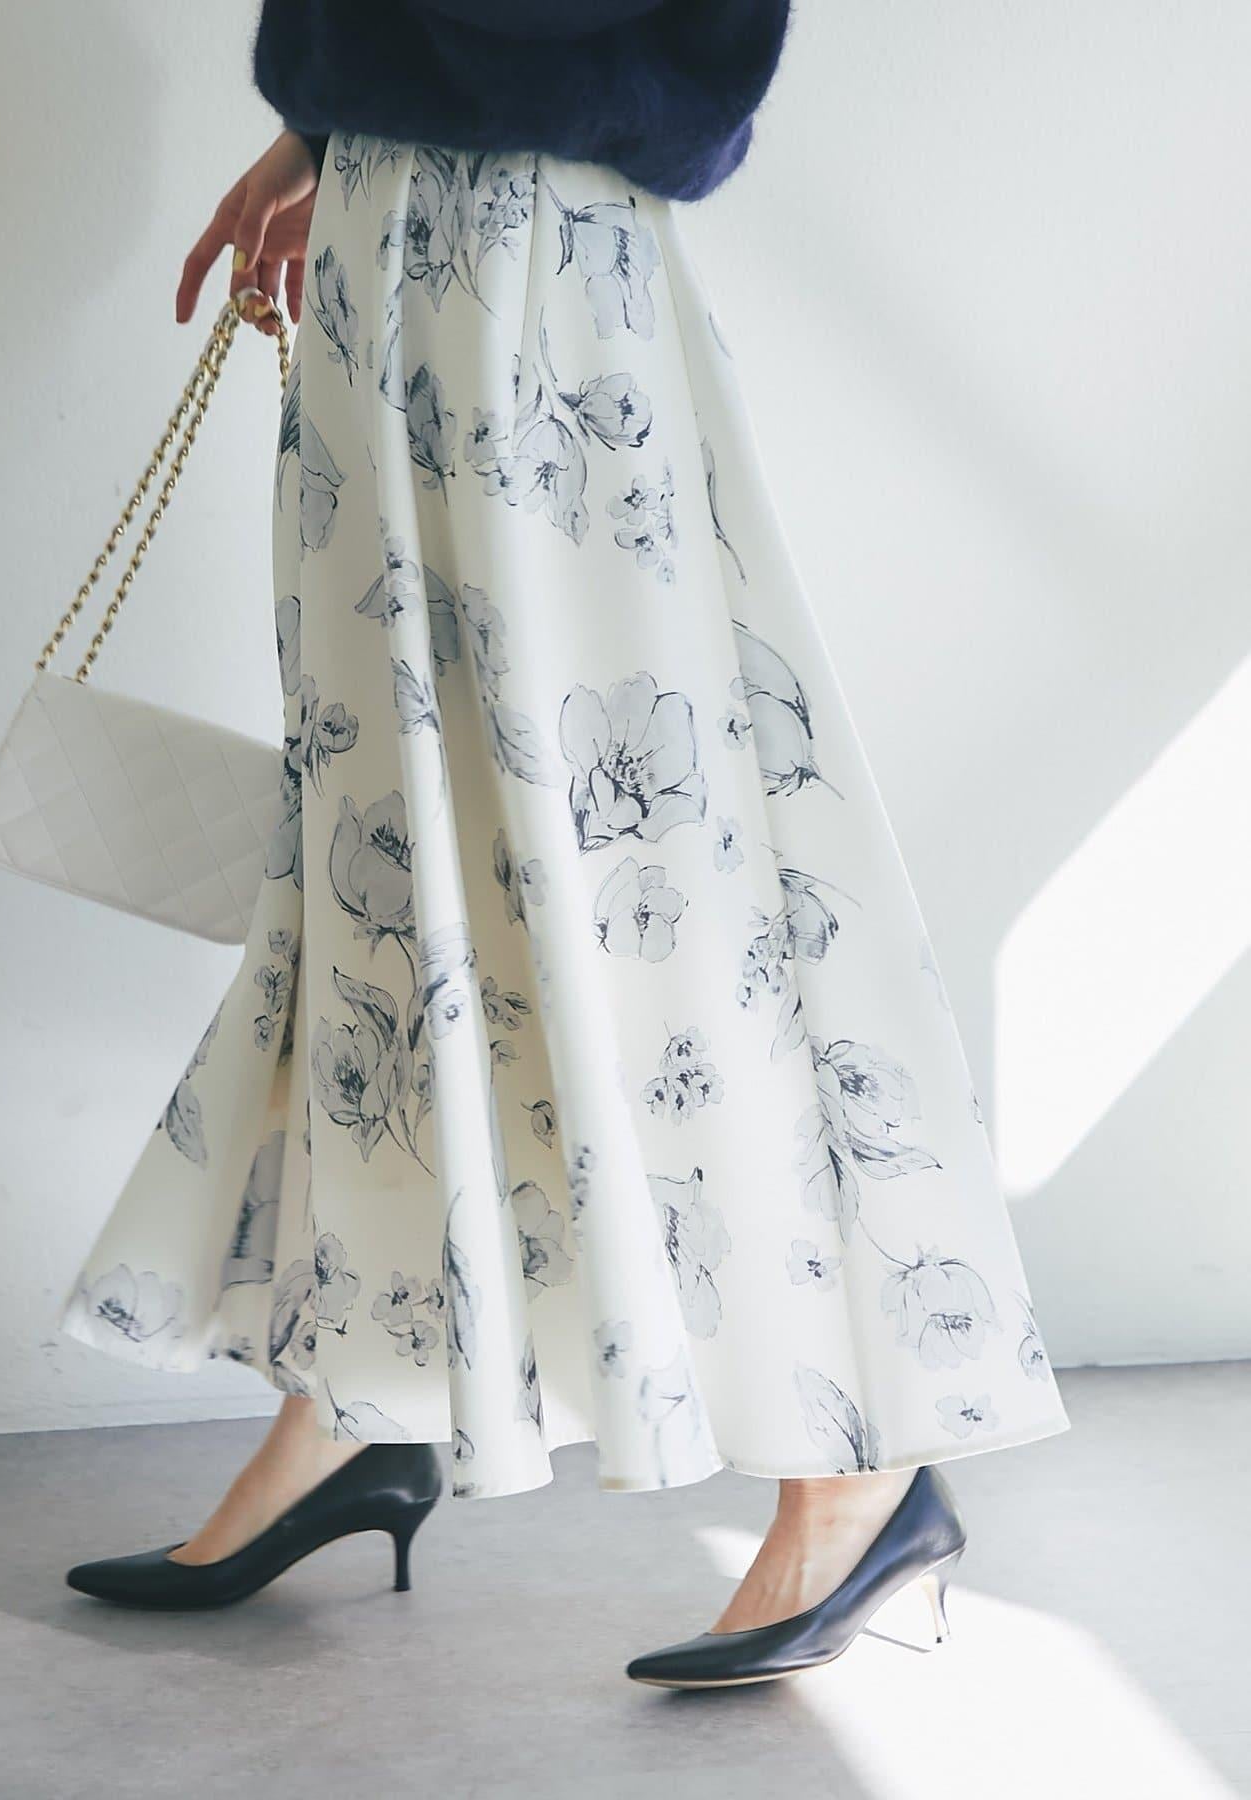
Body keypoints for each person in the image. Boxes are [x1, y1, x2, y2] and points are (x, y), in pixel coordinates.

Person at [59, 0, 1069, 1688]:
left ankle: (863, 1464)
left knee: (647, 864)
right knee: (389, 860)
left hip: (532, 246)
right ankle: (360, 1391)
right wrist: (333, 119)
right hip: (394, 237)